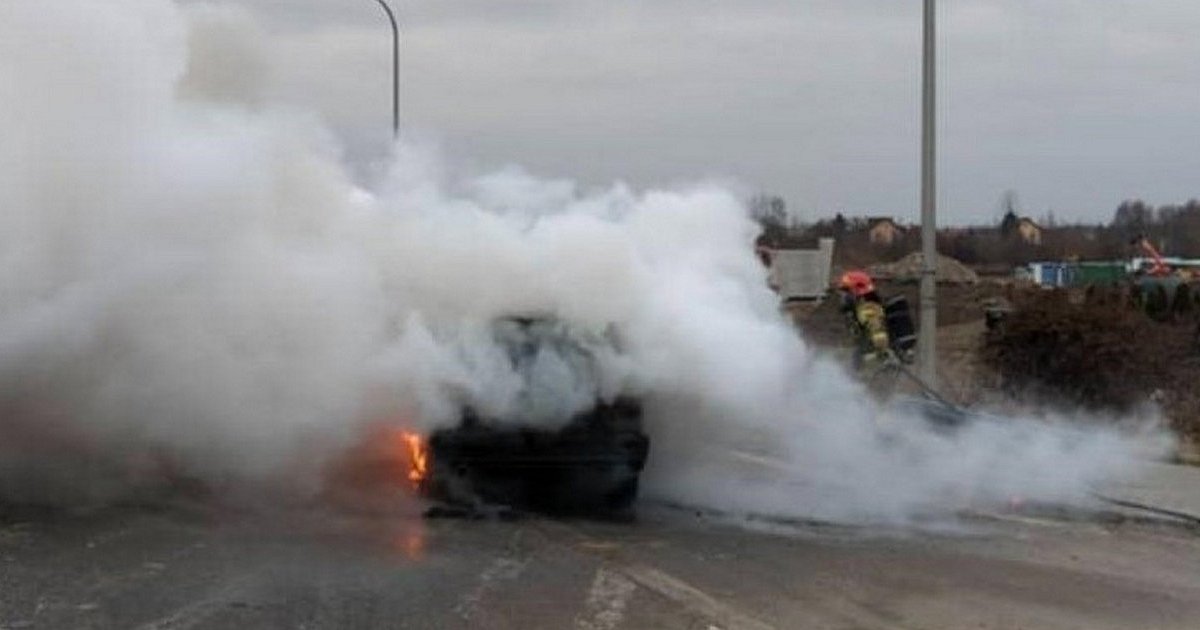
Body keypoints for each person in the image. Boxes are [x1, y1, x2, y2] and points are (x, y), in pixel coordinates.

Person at [837, 270, 894, 370]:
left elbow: (878, 334)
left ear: (857, 291)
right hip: (870, 356)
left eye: (846, 291)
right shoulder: (858, 310)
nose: (843, 297)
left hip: (877, 361)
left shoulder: (868, 309)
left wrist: (880, 354)